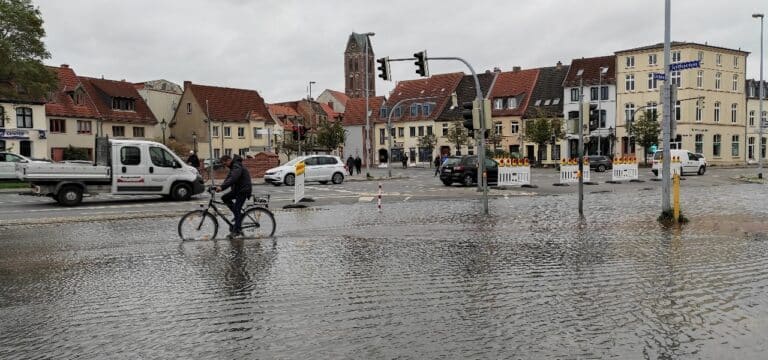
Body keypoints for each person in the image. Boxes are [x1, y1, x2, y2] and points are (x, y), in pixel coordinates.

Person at [215, 155, 252, 239]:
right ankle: (238, 215)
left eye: (225, 163)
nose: (225, 165)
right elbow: (228, 178)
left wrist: (222, 187)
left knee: (236, 209)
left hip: (243, 190)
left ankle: (237, 231)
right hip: (238, 189)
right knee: (225, 198)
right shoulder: (233, 166)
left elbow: (233, 178)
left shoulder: (236, 166)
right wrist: (221, 186)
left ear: (229, 160)